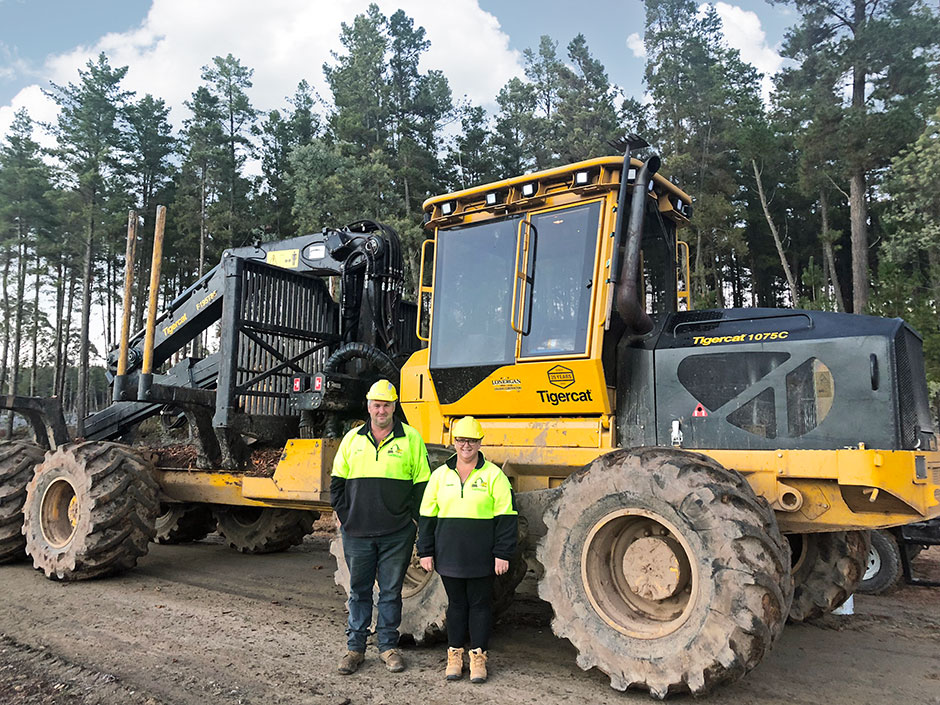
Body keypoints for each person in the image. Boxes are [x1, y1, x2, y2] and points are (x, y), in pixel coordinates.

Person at [330, 379, 431, 675]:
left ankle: (388, 647)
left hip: (396, 534)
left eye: (386, 404)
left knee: (390, 592)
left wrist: (412, 521)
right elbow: (337, 483)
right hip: (357, 533)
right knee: (359, 591)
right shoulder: (352, 439)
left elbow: (422, 485)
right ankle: (355, 649)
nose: (381, 410)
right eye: (377, 404)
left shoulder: (411, 439)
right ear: (369, 405)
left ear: (394, 406)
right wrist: (345, 516)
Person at [417, 416, 517, 684]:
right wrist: (425, 551)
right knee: (456, 606)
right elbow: (426, 517)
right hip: (449, 554)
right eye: (461, 440)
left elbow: (507, 517)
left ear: (480, 442)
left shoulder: (493, 475)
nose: (466, 445)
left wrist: (503, 553)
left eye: (472, 440)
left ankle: (479, 658)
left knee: (481, 606)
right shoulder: (440, 476)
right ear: (455, 442)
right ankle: (454, 656)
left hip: (482, 556)